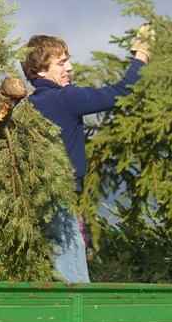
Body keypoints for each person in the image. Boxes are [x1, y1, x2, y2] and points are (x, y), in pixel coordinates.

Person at [21, 26, 153, 282]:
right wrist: (141, 55)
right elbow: (123, 91)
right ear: (40, 70)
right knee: (72, 275)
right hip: (59, 197)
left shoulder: (30, 105)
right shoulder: (64, 98)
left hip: (37, 197)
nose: (69, 68)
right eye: (61, 63)